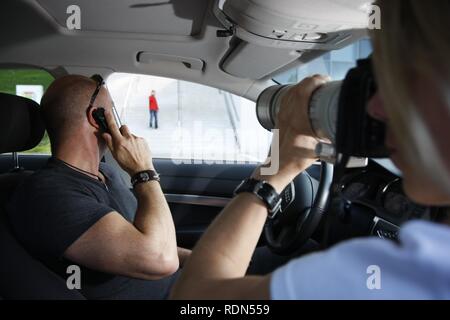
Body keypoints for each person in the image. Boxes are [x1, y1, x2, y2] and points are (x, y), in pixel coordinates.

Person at [171, 0, 450, 300]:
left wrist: (272, 173)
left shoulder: (398, 275)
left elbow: (196, 300)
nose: (374, 106)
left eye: (402, 78)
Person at [7, 75, 191, 299]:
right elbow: (160, 258)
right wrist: (144, 172)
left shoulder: (108, 174)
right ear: (97, 117)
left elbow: (148, 240)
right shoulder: (48, 194)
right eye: (111, 111)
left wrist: (201, 259)